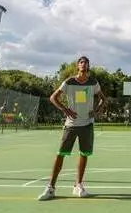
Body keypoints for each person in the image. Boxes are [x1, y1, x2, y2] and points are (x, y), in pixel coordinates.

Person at [37, 56, 106, 201]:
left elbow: (103, 99)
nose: (84, 64)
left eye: (86, 62)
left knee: (84, 154)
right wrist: (65, 110)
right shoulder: (69, 82)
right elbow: (53, 97)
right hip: (71, 125)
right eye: (81, 62)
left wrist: (97, 111)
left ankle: (78, 185)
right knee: (60, 154)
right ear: (77, 65)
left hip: (87, 124)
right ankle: (51, 188)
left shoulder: (93, 82)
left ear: (88, 66)